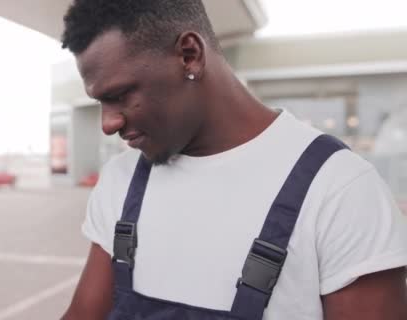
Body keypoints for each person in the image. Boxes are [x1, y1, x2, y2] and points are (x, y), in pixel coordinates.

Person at [59, 0, 407, 319]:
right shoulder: (121, 180)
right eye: (99, 102)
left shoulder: (339, 191)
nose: (108, 123)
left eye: (120, 95)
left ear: (190, 55)